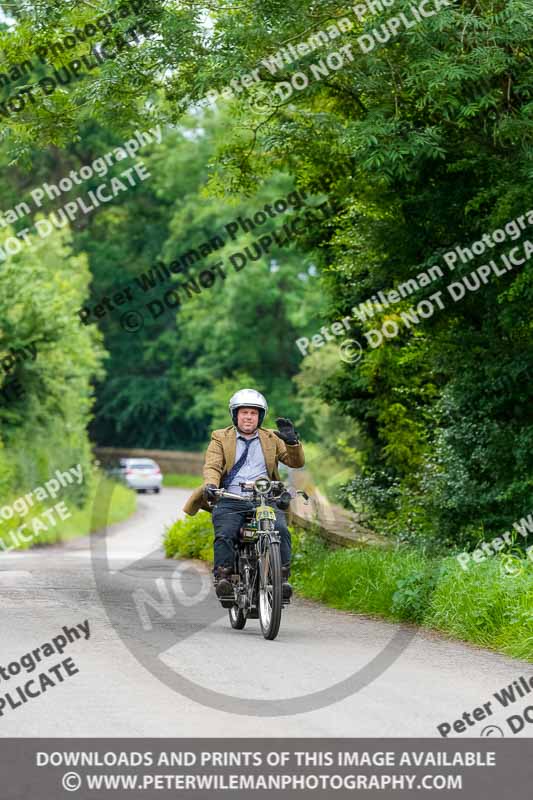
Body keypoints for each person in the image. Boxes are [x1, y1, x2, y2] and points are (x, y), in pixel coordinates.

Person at [183, 388, 305, 600]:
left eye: (254, 413)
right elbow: (212, 465)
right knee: (225, 532)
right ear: (235, 414)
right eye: (244, 412)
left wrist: (292, 443)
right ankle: (224, 578)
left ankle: (282, 579)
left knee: (281, 530)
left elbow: (296, 462)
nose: (249, 417)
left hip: (265, 499)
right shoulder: (220, 437)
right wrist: (211, 485)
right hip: (232, 498)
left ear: (260, 416)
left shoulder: (271, 438)